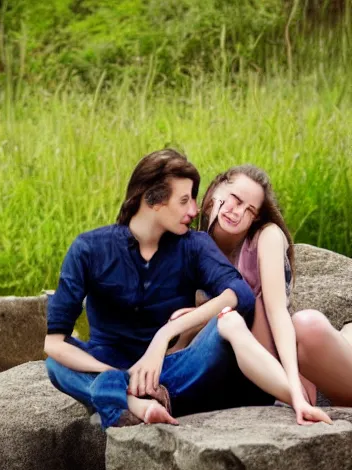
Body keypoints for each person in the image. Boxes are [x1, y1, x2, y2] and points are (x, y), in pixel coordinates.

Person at [44, 149, 274, 430]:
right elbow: (53, 343)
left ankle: (117, 397)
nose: (194, 210)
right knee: (55, 365)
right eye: (184, 200)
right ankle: (132, 400)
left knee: (226, 326)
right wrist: (123, 376)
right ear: (153, 199)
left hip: (173, 370)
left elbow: (240, 295)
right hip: (108, 364)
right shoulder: (89, 249)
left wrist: (164, 336)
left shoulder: (193, 245)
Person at [171, 164, 343, 425]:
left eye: (249, 210)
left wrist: (293, 384)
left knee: (305, 324)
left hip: (275, 370)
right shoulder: (191, 247)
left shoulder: (265, 237)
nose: (237, 212)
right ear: (214, 191)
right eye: (235, 199)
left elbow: (276, 313)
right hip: (233, 375)